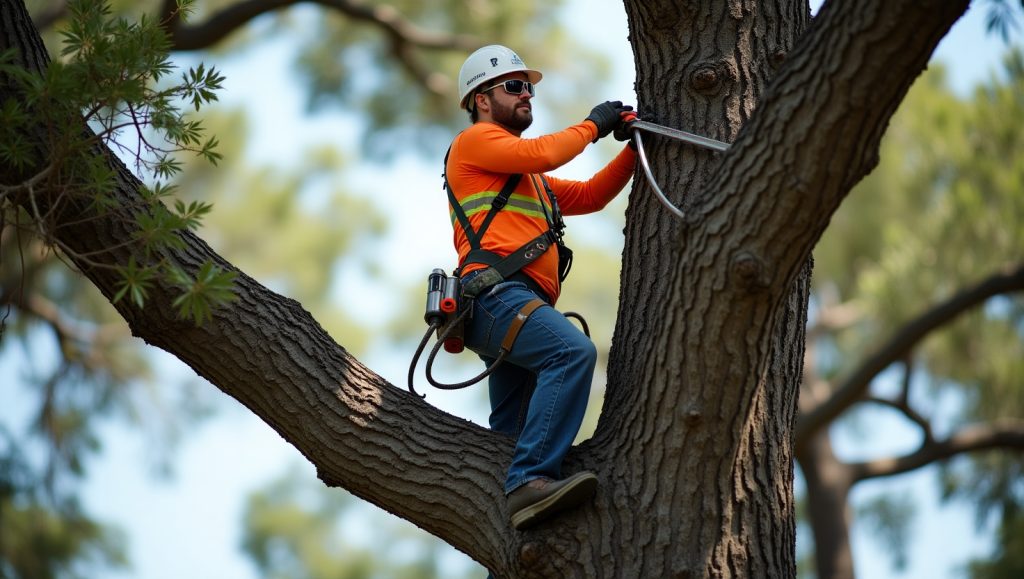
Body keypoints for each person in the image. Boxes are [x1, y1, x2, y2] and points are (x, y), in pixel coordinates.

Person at [445, 44, 636, 530]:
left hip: (512, 306)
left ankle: (515, 520)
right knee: (571, 354)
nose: (527, 94)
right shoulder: (475, 142)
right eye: (514, 86)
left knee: (511, 436)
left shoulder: (532, 182)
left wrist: (635, 149)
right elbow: (546, 150)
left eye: (528, 86)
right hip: (496, 298)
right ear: (481, 101)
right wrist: (595, 123)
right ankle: (531, 478)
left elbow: (591, 195)